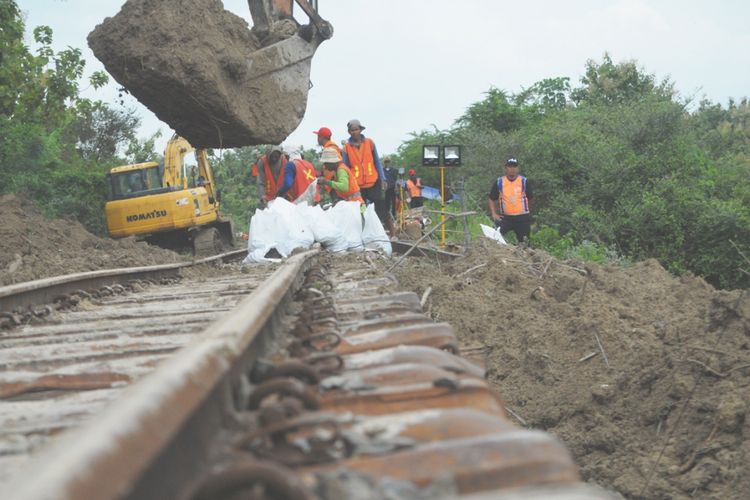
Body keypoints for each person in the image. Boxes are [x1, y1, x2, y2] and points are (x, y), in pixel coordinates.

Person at [342, 119, 393, 232]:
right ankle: (365, 231)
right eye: (352, 130)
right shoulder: (346, 148)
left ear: (360, 130)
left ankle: (388, 231)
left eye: (356, 129)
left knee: (381, 208)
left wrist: (383, 178)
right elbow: (345, 167)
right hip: (358, 186)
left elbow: (377, 162)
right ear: (349, 132)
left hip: (373, 182)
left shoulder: (370, 143)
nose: (354, 132)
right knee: (362, 210)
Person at [488, 157, 533, 243]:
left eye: (514, 166)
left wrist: (528, 213)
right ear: (506, 168)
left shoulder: (524, 181)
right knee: (493, 238)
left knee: (524, 243)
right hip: (506, 218)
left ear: (518, 168)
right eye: (510, 166)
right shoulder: (499, 182)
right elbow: (491, 198)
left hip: (522, 218)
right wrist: (493, 213)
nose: (512, 169)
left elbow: (530, 198)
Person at [313, 126, 341, 199]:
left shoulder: (330, 148)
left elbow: (338, 164)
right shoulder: (329, 147)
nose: (317, 139)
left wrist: (329, 181)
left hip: (335, 184)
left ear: (321, 137)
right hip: (332, 183)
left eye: (318, 136)